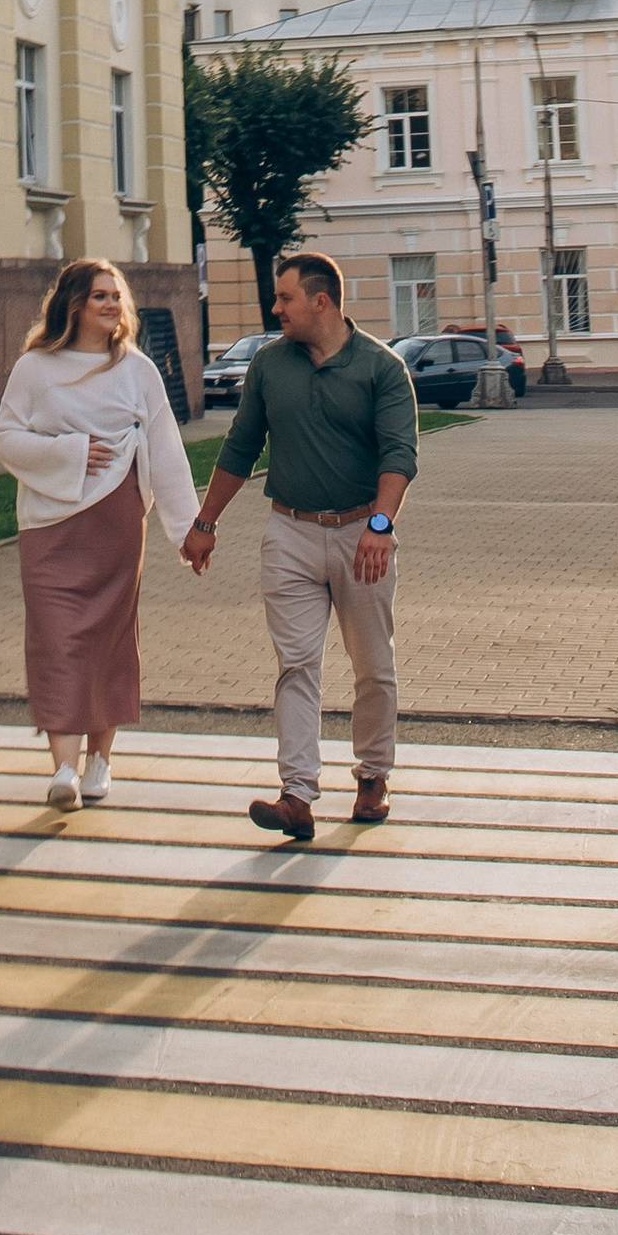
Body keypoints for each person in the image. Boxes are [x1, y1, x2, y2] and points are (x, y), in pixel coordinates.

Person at [180, 251, 417, 841]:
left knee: (373, 665)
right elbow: (240, 448)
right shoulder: (269, 365)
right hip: (288, 531)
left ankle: (372, 776)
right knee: (297, 664)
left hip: (362, 533)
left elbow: (399, 457)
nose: (275, 307)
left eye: (285, 298)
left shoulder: (381, 369)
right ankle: (297, 795)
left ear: (321, 301)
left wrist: (381, 528)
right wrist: (204, 522)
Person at [0, 255, 200, 808]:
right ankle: (63, 769)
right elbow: (6, 439)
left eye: (117, 295)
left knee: (108, 638)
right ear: (75, 304)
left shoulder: (137, 371)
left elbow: (167, 451)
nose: (113, 304)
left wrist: (188, 531)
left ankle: (100, 759)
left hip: (115, 520)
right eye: (101, 295)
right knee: (56, 639)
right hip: (48, 523)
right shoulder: (35, 369)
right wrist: (71, 452)